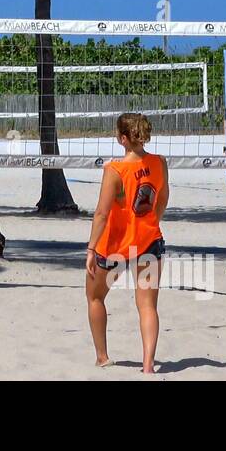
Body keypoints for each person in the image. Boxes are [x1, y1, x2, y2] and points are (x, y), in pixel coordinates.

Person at [85, 112, 169, 374]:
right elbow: (163, 199)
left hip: (115, 246)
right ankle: (147, 366)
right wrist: (150, 222)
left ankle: (102, 357)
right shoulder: (159, 163)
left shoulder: (115, 170)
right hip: (150, 241)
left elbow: (101, 214)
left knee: (95, 297)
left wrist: (90, 249)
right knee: (147, 306)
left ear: (122, 138)